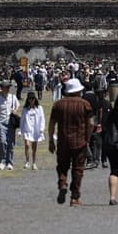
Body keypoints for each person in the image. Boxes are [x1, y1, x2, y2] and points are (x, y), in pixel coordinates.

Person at [48, 78, 94, 206]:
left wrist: (51, 140)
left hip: (63, 141)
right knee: (78, 169)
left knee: (62, 166)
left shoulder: (58, 105)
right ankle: (75, 197)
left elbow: (52, 124)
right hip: (80, 141)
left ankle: (62, 183)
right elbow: (90, 123)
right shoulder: (85, 104)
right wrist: (88, 138)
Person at [0, 81, 20, 171]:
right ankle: (2, 161)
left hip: (10, 123)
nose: (7, 89)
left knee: (10, 143)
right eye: (5, 87)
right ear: (2, 88)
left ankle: (9, 162)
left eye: (8, 87)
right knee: (2, 141)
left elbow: (17, 106)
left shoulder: (13, 97)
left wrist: (15, 110)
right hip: (1, 123)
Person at [19, 93, 45, 170]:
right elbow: (22, 120)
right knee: (27, 145)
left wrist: (41, 128)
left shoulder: (39, 108)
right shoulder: (25, 109)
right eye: (30, 99)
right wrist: (21, 130)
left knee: (34, 148)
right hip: (27, 129)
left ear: (35, 99)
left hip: (36, 130)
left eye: (33, 99)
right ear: (28, 99)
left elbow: (42, 119)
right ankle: (27, 162)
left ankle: (34, 163)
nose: (31, 100)